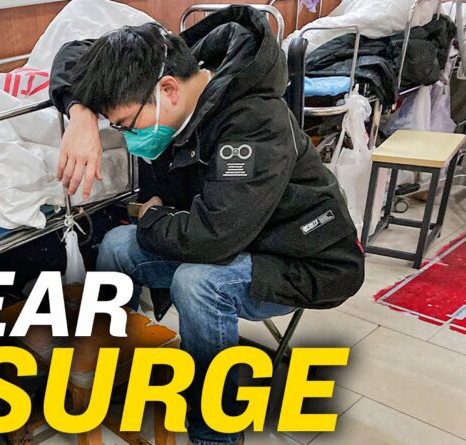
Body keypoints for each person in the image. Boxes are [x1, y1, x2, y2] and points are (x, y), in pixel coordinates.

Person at [49, 7, 365, 445]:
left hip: (302, 257)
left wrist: (153, 217)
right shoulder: (172, 68)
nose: (127, 137)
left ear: (168, 90)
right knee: (118, 243)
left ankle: (216, 432)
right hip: (237, 231)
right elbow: (72, 54)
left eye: (125, 125)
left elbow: (213, 239)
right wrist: (81, 112)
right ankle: (117, 365)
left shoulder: (253, 124)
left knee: (198, 282)